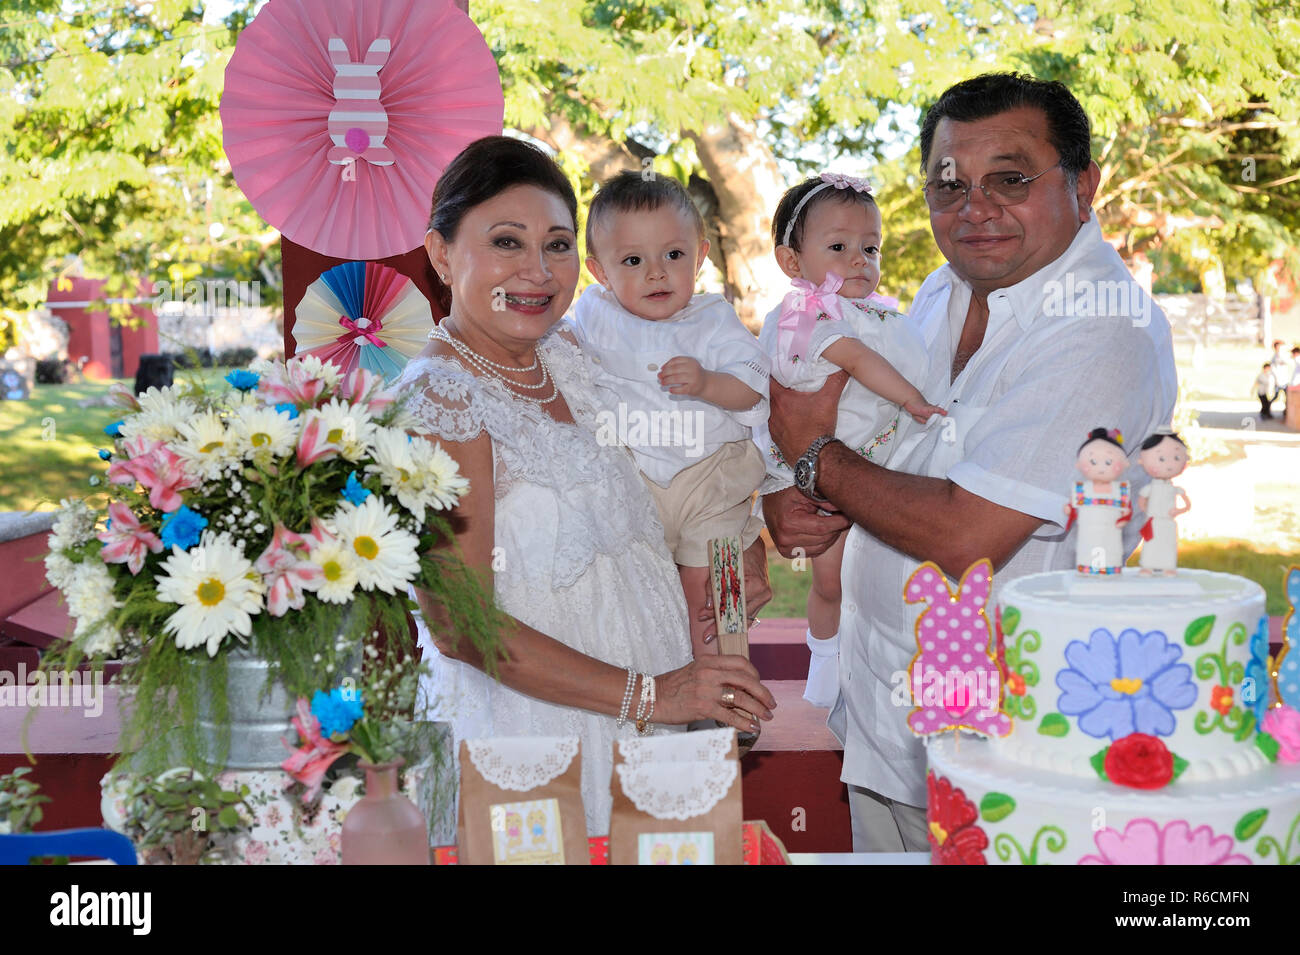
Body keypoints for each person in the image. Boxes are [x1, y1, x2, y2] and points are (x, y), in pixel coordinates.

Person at [762, 73, 1178, 852]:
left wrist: (813, 453)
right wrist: (794, 495)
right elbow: (893, 453)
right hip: (885, 734)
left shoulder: (1102, 330)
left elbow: (967, 533)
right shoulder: (935, 295)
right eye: (949, 184)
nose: (975, 207)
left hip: (1012, 763)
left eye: (1010, 180)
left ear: (1084, 184)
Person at [396, 136, 776, 836]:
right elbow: (457, 622)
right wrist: (652, 694)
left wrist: (739, 538)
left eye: (559, 244)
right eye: (507, 242)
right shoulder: (439, 404)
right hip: (532, 740)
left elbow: (678, 459)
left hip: (654, 726)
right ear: (442, 253)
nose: (538, 271)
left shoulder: (572, 354)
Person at [753, 172, 944, 707]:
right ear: (793, 262)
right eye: (838, 247)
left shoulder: (878, 315)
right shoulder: (806, 316)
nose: (860, 259)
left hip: (878, 461)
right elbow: (858, 362)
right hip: (826, 471)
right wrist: (912, 399)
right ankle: (825, 662)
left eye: (870, 247)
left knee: (871, 580)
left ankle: (861, 668)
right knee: (833, 579)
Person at [571, 171, 770, 658]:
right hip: (632, 476)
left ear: (700, 256)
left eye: (673, 256)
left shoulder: (711, 318)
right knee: (642, 592)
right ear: (599, 271)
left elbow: (752, 386)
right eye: (633, 260)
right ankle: (662, 688)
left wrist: (707, 383)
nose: (656, 273)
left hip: (710, 477)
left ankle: (729, 685)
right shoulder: (589, 316)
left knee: (718, 590)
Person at [1136, 429, 1190, 576]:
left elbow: (1187, 505)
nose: (1169, 464)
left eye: (1176, 458)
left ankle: (1168, 566)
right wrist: (1147, 512)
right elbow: (1141, 501)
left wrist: (1178, 511)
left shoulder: (1175, 489)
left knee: (1168, 544)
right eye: (1161, 459)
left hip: (1168, 521)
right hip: (1153, 520)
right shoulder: (1150, 488)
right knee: (1151, 544)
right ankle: (1148, 565)